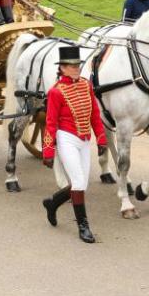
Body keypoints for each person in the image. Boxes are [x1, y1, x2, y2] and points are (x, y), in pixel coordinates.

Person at [42, 46, 107, 243]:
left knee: (81, 184)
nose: (76, 68)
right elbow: (51, 123)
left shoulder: (86, 85)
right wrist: (48, 151)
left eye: (78, 65)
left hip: (84, 139)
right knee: (78, 182)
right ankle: (83, 226)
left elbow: (95, 114)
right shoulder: (55, 92)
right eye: (72, 66)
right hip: (66, 138)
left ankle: (53, 203)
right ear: (62, 68)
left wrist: (101, 138)